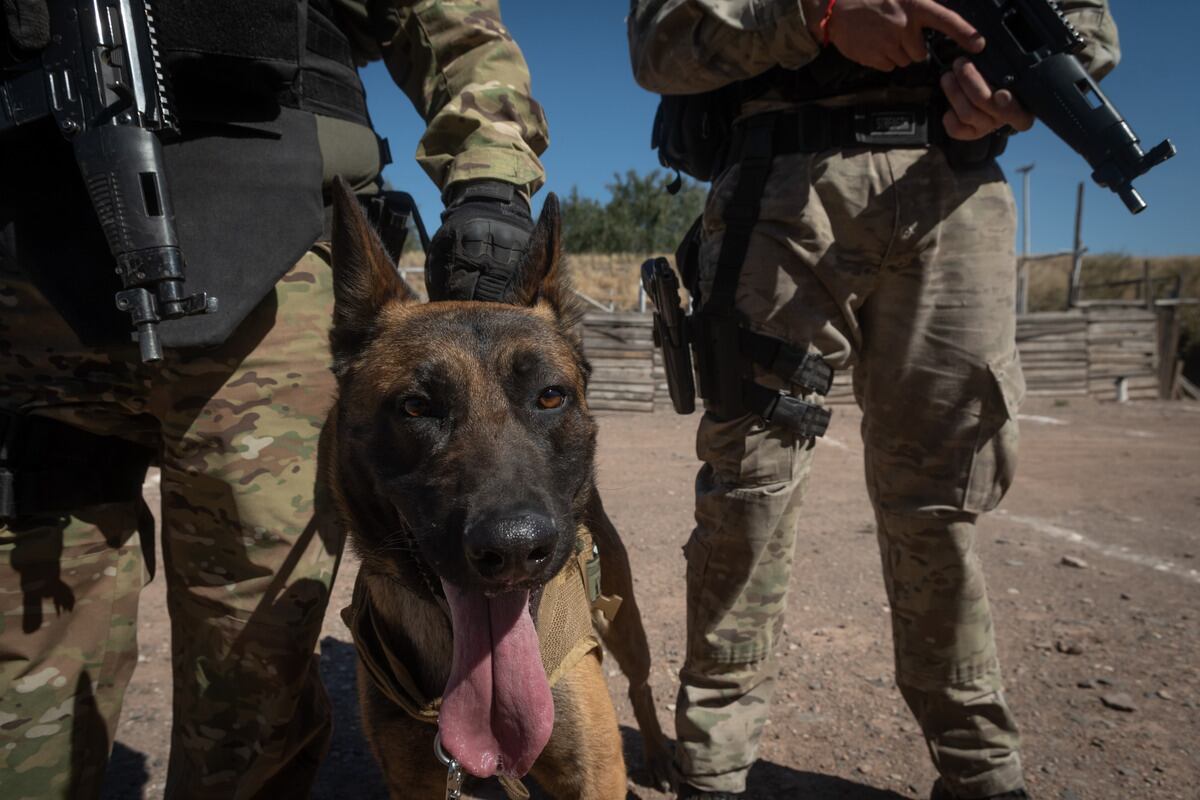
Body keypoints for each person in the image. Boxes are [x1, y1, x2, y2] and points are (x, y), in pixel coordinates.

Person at [0, 1, 545, 796]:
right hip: (30, 266)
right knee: (23, 662)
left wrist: (492, 179)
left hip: (269, 253)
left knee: (250, 672)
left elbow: (448, 22)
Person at [627, 1, 1120, 798]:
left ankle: (981, 772)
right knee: (749, 491)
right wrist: (819, 16)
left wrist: (1018, 88)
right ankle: (713, 767)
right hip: (785, 181)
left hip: (955, 188)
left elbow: (1088, 26)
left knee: (944, 498)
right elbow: (659, 43)